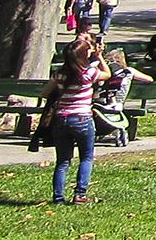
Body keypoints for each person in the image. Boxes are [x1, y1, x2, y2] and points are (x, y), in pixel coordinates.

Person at [42, 33, 109, 204]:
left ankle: (58, 197)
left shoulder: (60, 74)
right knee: (86, 157)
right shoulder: (89, 74)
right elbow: (107, 74)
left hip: (61, 119)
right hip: (82, 119)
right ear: (82, 56)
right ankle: (80, 194)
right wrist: (99, 56)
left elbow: (45, 92)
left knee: (63, 161)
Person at [94, 50, 154, 144]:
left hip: (101, 102)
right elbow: (149, 79)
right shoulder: (129, 71)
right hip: (118, 102)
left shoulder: (105, 73)